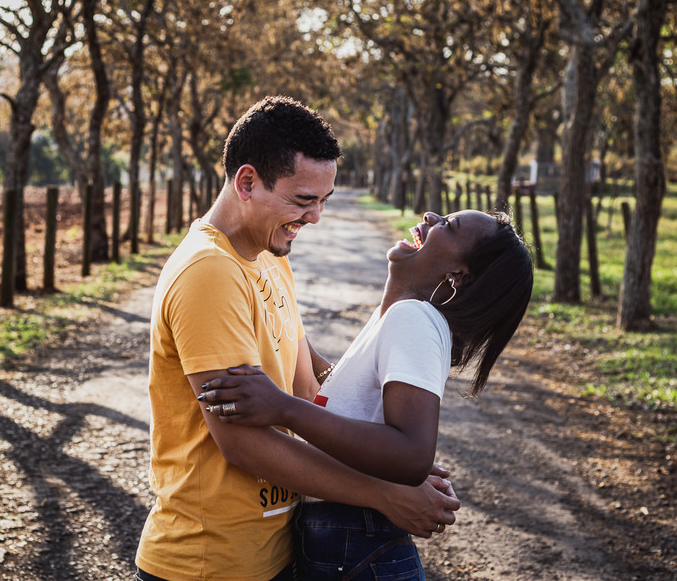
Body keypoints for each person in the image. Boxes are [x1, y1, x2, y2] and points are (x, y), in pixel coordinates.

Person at [135, 96, 461, 581]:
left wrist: (395, 454)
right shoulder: (210, 271)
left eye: (324, 200)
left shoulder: (270, 255)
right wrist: (383, 493)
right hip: (207, 564)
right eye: (304, 200)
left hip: (278, 552)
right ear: (247, 182)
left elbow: (306, 386)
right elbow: (242, 443)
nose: (316, 217)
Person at [199, 207, 534, 579]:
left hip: (357, 544)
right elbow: (346, 396)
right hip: (349, 540)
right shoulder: (396, 316)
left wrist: (282, 408)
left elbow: (412, 454)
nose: (431, 216)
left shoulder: (414, 319)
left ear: (457, 275)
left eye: (449, 226)